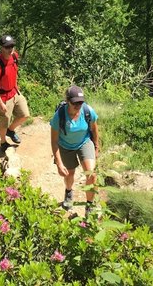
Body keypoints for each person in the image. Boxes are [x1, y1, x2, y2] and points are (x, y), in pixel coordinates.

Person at [50, 85, 100, 215]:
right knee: (69, 173)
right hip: (65, 146)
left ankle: (89, 205)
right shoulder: (59, 116)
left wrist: (96, 147)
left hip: (84, 142)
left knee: (91, 174)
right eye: (75, 103)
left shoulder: (88, 111)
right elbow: (54, 141)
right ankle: (68, 192)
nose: (78, 105)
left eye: (81, 102)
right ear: (67, 101)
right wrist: (59, 163)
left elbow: (94, 129)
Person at [0, 34, 30, 152]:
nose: (10, 49)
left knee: (25, 115)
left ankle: (10, 131)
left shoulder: (14, 56)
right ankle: (3, 142)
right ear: (1, 47)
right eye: (7, 47)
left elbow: (14, 72)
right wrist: (0, 103)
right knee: (4, 121)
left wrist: (16, 88)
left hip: (14, 92)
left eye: (12, 46)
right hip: (3, 97)